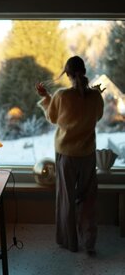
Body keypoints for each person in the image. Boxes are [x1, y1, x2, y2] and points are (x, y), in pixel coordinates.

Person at [35, 56, 104, 256]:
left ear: (67, 73)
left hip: (66, 154)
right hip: (88, 154)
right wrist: (94, 95)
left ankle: (70, 242)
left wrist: (47, 97)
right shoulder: (95, 97)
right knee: (88, 199)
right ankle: (89, 242)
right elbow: (97, 116)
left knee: (66, 199)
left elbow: (52, 118)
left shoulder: (61, 95)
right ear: (83, 71)